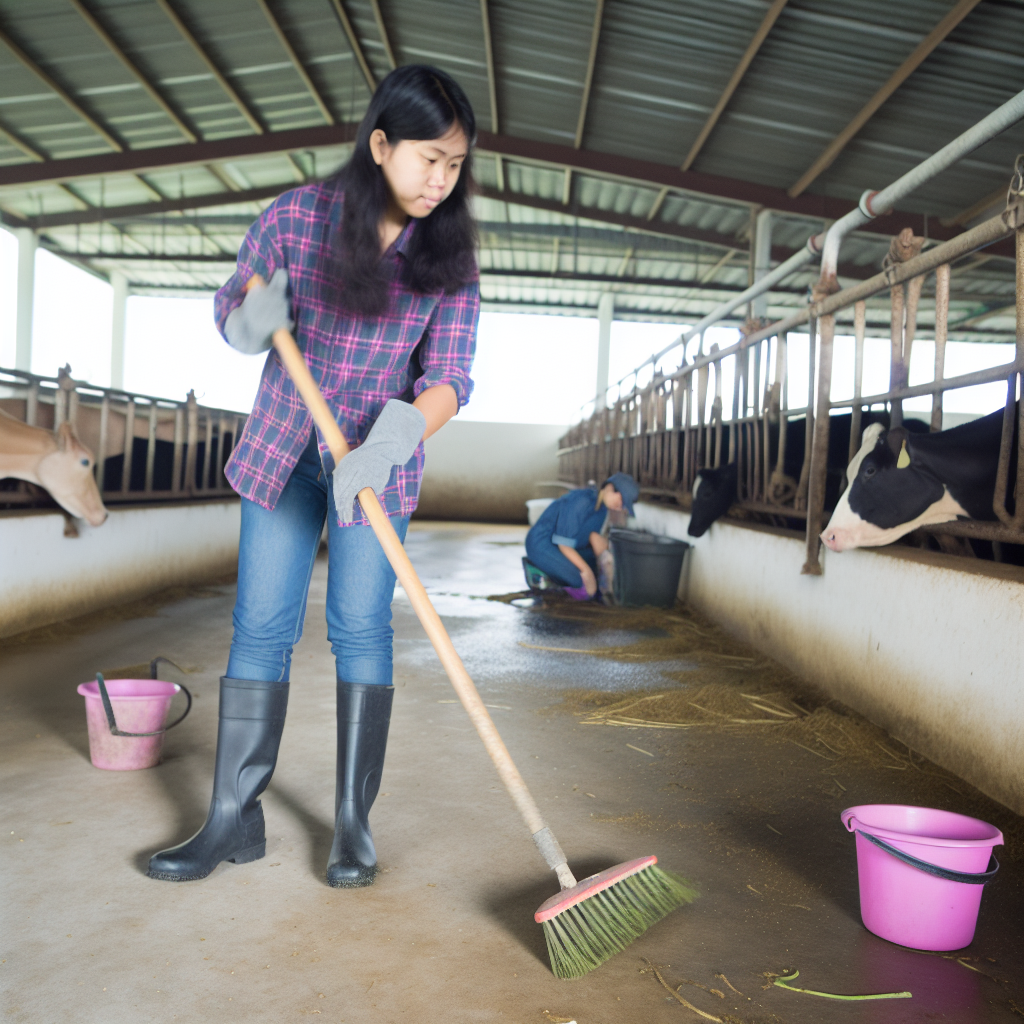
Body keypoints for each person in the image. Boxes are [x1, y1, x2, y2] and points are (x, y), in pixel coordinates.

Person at [147, 66, 479, 888]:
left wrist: (394, 436)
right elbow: (237, 302)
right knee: (261, 626)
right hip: (284, 452)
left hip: (376, 462)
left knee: (359, 627)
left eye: (455, 163)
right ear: (380, 146)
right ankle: (233, 816)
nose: (441, 179)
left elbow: (452, 376)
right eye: (427, 158)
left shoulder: (449, 257)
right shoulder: (299, 217)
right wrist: (245, 321)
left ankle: (353, 826)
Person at [524, 473, 638, 599]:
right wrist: (587, 572)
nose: (620, 507)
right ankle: (542, 574)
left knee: (594, 576)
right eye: (621, 500)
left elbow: (594, 537)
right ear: (610, 488)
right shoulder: (582, 500)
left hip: (564, 546)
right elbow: (563, 543)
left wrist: (607, 570)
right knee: (581, 582)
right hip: (542, 544)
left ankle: (556, 571)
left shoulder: (602, 509)